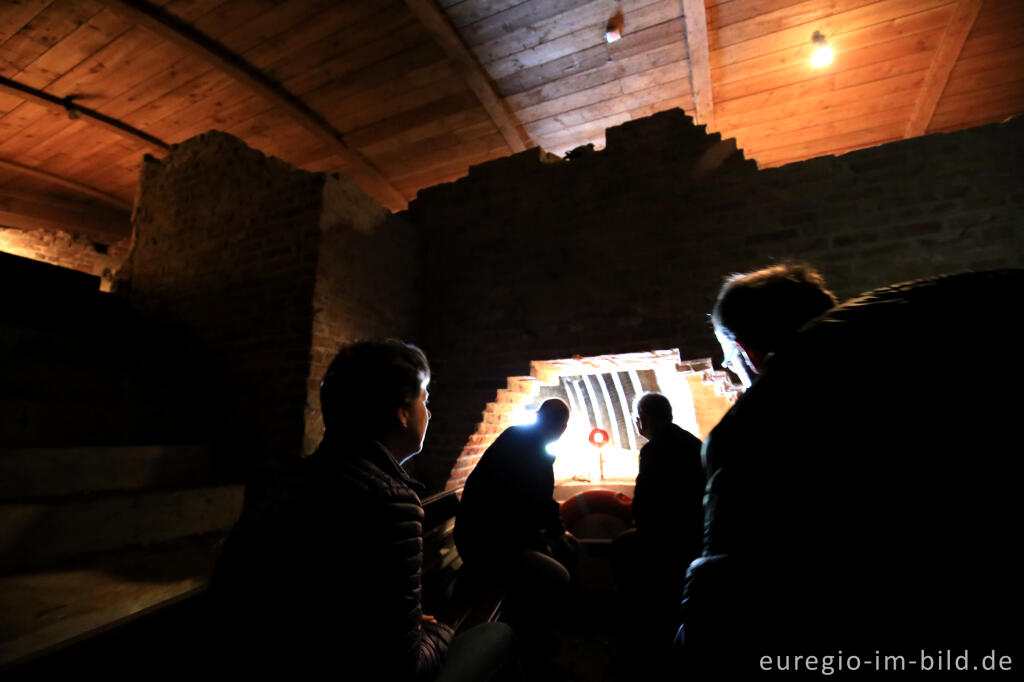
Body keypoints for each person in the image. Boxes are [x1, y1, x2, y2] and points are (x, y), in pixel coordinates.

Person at [679, 267, 1023, 674]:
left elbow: (731, 588)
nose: (725, 363)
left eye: (727, 352)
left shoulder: (757, 425)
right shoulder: (944, 364)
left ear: (745, 351)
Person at [211, 340, 520, 681]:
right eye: (425, 399)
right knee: (498, 635)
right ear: (402, 412)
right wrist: (442, 632)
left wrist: (400, 620)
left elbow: (323, 597)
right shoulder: (389, 501)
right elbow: (401, 667)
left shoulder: (288, 480)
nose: (429, 413)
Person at [454, 398, 576, 672]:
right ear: (562, 428)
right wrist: (558, 536)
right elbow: (539, 504)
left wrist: (551, 534)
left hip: (478, 537)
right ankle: (531, 645)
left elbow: (529, 505)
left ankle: (532, 639)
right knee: (559, 576)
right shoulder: (534, 449)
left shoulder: (516, 437)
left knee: (547, 559)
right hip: (489, 547)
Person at [610, 392, 704, 673]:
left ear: (642, 421)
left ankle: (637, 633)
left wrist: (635, 517)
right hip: (695, 536)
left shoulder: (652, 450)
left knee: (621, 547)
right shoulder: (694, 443)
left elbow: (646, 506)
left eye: (638, 419)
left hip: (666, 541)